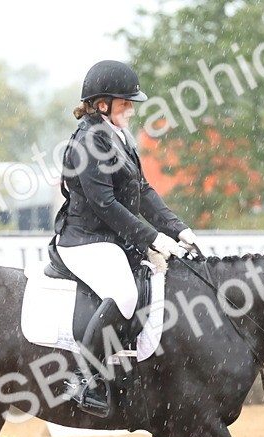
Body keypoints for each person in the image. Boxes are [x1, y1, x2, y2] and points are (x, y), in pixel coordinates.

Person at [50, 59, 201, 418]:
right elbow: (105, 205)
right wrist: (153, 238)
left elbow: (144, 191)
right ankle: (84, 379)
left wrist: (177, 228)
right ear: (102, 104)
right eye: (125, 103)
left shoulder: (119, 136)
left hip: (112, 239)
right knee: (126, 293)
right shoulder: (88, 143)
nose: (132, 110)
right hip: (85, 241)